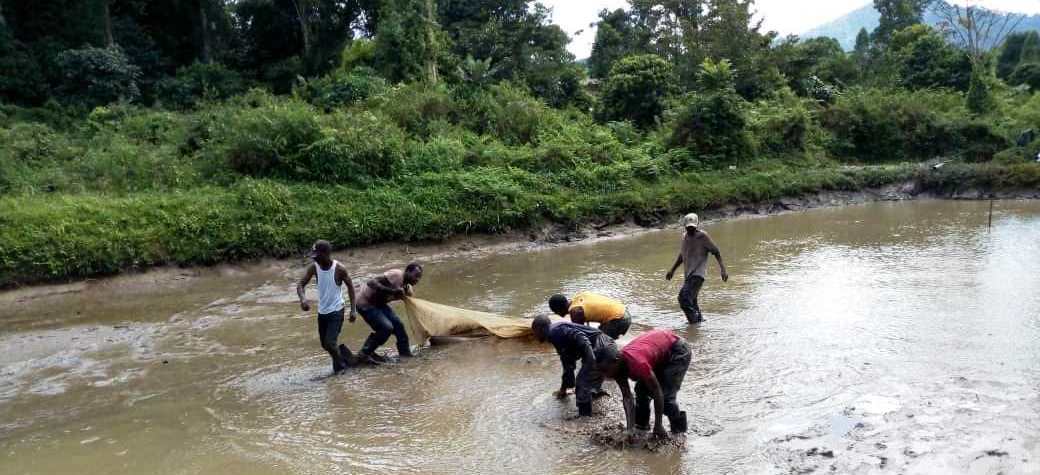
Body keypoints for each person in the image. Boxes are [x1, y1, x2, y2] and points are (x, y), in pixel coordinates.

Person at [595, 329, 691, 439]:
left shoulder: (638, 363)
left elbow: (657, 392)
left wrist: (658, 425)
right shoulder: (616, 369)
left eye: (605, 370)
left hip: (677, 350)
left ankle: (679, 432)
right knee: (641, 391)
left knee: (666, 397)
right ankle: (641, 426)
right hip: (658, 350)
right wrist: (630, 430)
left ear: (616, 360)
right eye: (600, 371)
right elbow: (627, 397)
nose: (604, 375)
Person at [532, 315, 616, 417]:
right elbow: (568, 365)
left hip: (602, 347)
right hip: (605, 346)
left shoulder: (554, 331)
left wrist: (591, 359)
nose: (534, 335)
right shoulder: (556, 335)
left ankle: (584, 418)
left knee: (582, 383)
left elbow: (580, 336)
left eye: (534, 332)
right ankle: (594, 395)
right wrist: (563, 389)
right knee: (588, 379)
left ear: (539, 328)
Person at [296, 240, 357, 374]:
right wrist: (303, 299)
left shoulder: (339, 269)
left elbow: (351, 287)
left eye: (317, 256)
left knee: (330, 343)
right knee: (325, 344)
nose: (315, 259)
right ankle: (344, 358)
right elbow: (300, 285)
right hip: (322, 311)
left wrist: (353, 310)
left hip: (337, 310)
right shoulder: (314, 268)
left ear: (326, 254)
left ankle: (341, 368)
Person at [665, 213, 728, 324]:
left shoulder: (703, 236)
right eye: (688, 227)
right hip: (688, 275)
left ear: (697, 224)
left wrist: (723, 270)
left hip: (698, 275)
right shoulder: (684, 237)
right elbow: (682, 255)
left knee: (683, 298)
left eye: (693, 227)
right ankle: (699, 322)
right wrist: (672, 270)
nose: (691, 229)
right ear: (685, 226)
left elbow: (716, 251)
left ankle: (693, 324)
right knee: (692, 301)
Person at [354, 262, 424, 361]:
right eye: (416, 276)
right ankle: (364, 354)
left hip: (380, 304)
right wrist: (392, 291)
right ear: (407, 271)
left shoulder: (407, 290)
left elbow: (412, 305)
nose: (417, 279)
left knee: (399, 326)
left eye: (419, 277)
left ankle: (405, 355)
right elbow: (371, 282)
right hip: (365, 302)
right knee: (386, 328)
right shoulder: (396, 275)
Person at [547, 291, 632, 339]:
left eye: (555, 311)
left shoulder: (575, 312)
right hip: (624, 312)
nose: (556, 314)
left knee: (599, 343)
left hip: (618, 319)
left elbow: (580, 336)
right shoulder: (578, 298)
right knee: (600, 336)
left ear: (558, 309)